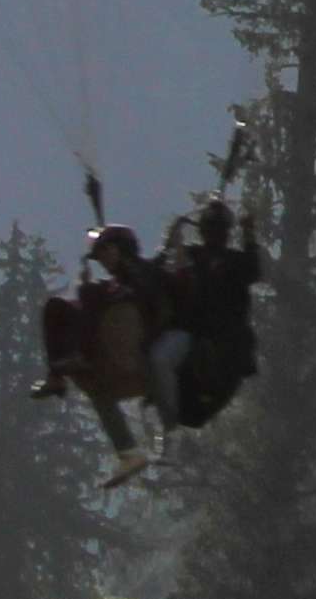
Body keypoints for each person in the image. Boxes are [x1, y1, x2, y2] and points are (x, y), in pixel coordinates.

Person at [35, 221, 168, 460]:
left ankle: (79, 357)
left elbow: (146, 294)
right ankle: (56, 376)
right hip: (115, 353)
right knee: (56, 308)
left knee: (89, 293)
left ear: (121, 249)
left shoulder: (141, 271)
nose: (103, 261)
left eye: (105, 253)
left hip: (137, 351)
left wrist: (97, 289)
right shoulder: (117, 281)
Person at [160, 185, 263, 428]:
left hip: (224, 340)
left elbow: (253, 270)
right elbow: (168, 272)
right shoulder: (194, 255)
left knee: (203, 373)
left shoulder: (233, 261)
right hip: (197, 335)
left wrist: (249, 236)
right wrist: (172, 243)